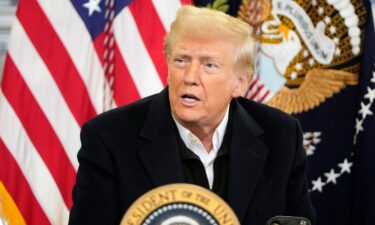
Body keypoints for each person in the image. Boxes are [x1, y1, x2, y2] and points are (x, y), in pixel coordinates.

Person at [69, 5, 315, 225]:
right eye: (181, 60)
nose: (190, 77)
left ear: (240, 84)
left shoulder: (280, 135)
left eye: (209, 65)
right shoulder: (110, 138)